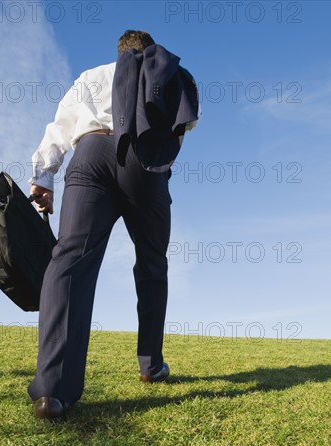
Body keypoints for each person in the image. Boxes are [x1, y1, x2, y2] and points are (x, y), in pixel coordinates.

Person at [27, 30, 200, 421]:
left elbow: (59, 127)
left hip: (89, 155)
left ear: (119, 51)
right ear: (151, 50)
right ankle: (150, 364)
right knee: (152, 265)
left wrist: (44, 176)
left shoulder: (91, 76)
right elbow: (187, 123)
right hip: (145, 165)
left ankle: (53, 391)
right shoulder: (171, 74)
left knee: (69, 261)